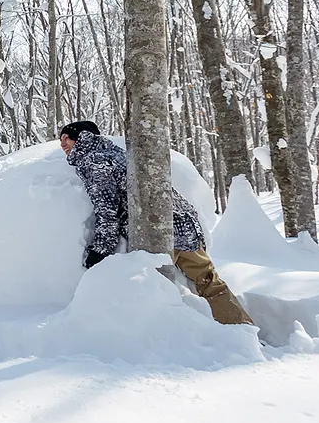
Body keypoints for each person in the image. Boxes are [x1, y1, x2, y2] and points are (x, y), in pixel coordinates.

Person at [58, 120, 253, 326]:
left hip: (154, 229)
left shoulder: (93, 161)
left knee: (156, 292)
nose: (62, 143)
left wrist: (100, 250)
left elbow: (107, 209)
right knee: (208, 281)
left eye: (68, 137)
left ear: (84, 137)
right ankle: (242, 329)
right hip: (183, 221)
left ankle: (182, 343)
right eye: (60, 139)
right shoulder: (118, 154)